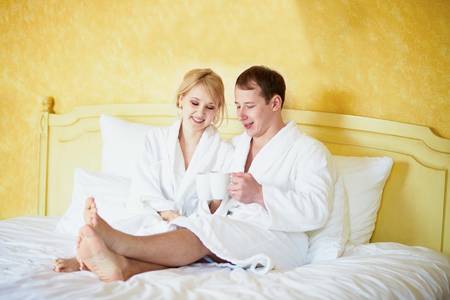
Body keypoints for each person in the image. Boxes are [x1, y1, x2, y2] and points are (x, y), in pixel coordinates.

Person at [76, 65, 335, 281]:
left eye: (249, 106)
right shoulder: (237, 146)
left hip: (280, 240)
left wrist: (260, 194)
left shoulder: (309, 151)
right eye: (238, 106)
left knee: (206, 230)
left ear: (275, 102)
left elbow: (317, 210)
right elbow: (218, 203)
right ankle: (123, 267)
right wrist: (213, 204)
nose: (241, 115)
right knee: (204, 236)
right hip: (235, 230)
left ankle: (120, 242)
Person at [53, 68, 232, 272]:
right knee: (140, 225)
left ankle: (94, 258)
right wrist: (168, 214)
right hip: (155, 215)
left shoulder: (224, 152)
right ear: (180, 100)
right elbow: (144, 188)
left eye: (210, 107)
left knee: (195, 239)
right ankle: (107, 258)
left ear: (217, 110)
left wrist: (186, 220)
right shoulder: (155, 140)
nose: (201, 112)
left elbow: (217, 205)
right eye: (194, 103)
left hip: (192, 227)